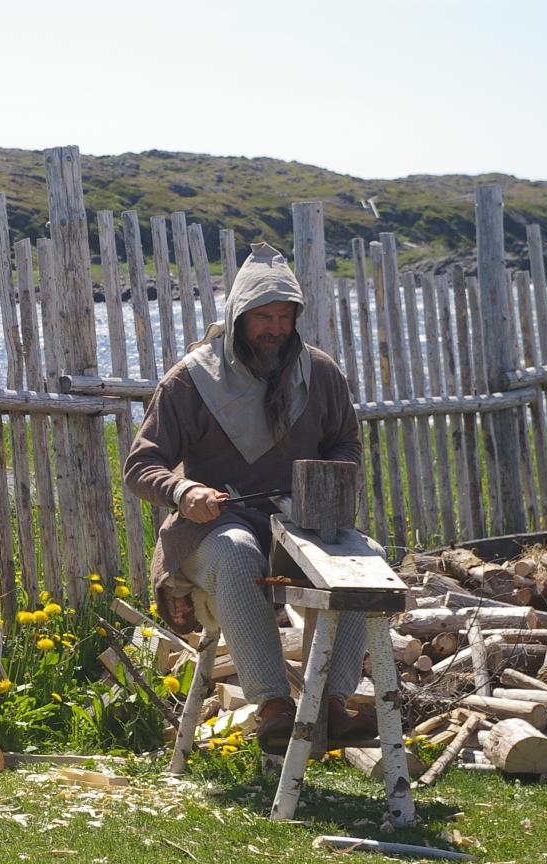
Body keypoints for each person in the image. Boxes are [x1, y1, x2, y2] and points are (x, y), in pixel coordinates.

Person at [123, 242, 371, 752]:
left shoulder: (319, 372)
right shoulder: (191, 380)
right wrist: (184, 491)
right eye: (264, 317)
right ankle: (274, 707)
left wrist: (331, 479)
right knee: (238, 551)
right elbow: (140, 466)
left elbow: (345, 441)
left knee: (361, 559)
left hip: (299, 527)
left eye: (284, 317)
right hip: (209, 530)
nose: (275, 329)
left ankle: (329, 705)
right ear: (239, 316)